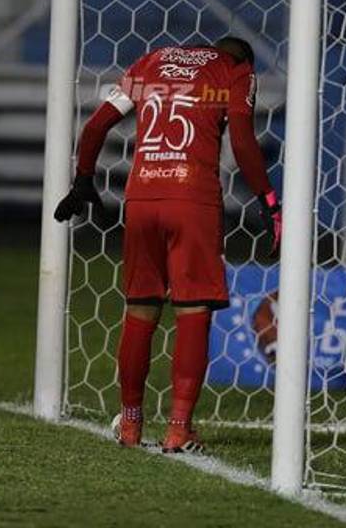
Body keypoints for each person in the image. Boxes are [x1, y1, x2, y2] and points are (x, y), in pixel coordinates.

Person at [54, 37, 282, 453]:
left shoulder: (151, 62)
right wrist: (269, 200)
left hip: (141, 201)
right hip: (192, 201)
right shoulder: (235, 71)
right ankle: (179, 428)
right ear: (243, 59)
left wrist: (84, 179)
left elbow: (95, 126)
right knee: (193, 309)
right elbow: (244, 142)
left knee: (140, 308)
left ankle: (131, 423)